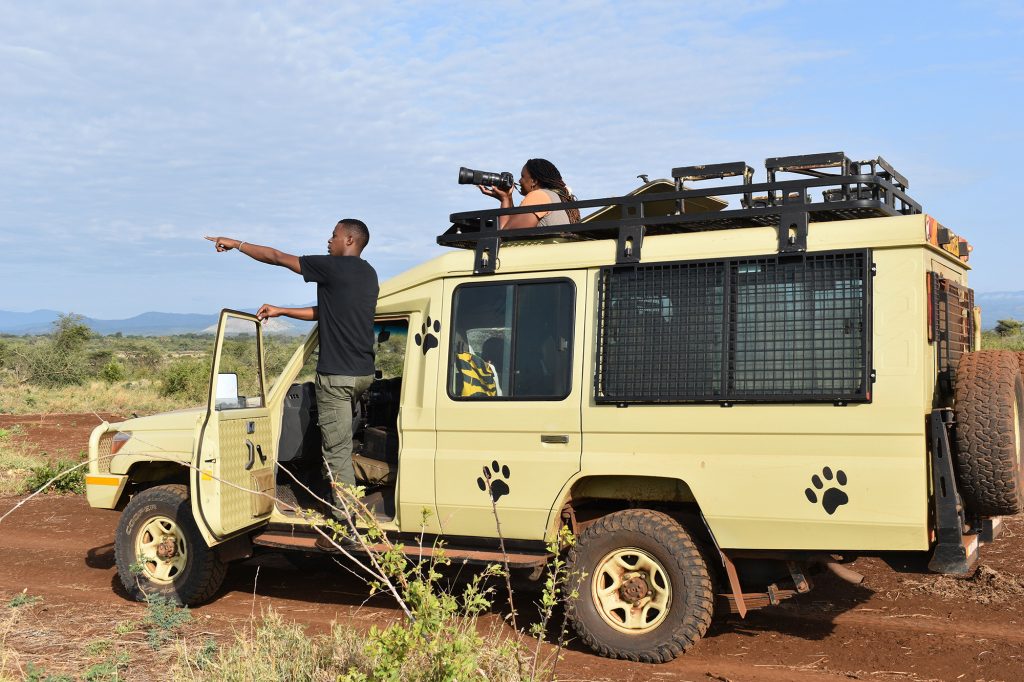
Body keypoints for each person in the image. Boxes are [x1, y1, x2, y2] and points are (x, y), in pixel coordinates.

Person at [205, 219, 379, 522]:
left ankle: (347, 524)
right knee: (343, 440)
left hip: (337, 377)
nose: (329, 240)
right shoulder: (368, 274)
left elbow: (276, 257)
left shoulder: (332, 267)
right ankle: (340, 498)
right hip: (361, 374)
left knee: (335, 451)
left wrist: (236, 244)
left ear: (350, 240)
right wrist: (283, 310)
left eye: (334, 236)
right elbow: (325, 312)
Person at [478, 158, 581, 230]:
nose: (519, 180)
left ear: (534, 181)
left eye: (522, 176)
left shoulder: (539, 196)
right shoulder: (559, 197)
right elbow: (514, 223)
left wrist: (505, 200)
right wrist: (507, 198)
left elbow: (504, 233)